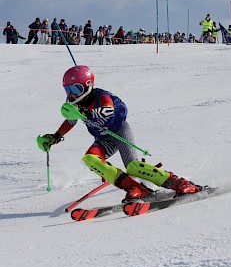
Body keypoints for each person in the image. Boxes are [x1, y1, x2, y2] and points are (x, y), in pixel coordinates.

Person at [37, 65, 203, 202]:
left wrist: (86, 113)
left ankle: (179, 183)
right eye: (68, 90)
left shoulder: (101, 96)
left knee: (133, 166)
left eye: (76, 88)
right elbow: (70, 121)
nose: (72, 95)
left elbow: (108, 110)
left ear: (88, 84)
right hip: (104, 139)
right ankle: (136, 188)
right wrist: (55, 136)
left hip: (119, 132)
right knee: (90, 159)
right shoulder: (75, 105)